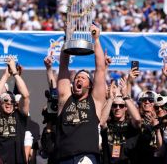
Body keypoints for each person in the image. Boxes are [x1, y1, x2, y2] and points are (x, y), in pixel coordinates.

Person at [56, 23, 106, 163]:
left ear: (89, 85)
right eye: (77, 77)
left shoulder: (95, 101)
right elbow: (63, 66)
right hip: (63, 157)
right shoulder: (66, 98)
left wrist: (96, 40)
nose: (78, 79)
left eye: (83, 78)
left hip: (87, 157)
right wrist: (68, 37)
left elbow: (100, 69)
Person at [0, 57, 30, 164]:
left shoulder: (19, 116)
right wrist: (6, 75)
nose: (9, 102)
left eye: (12, 100)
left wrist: (15, 73)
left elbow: (25, 95)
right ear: (0, 103)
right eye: (5, 100)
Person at [100, 77, 142, 164]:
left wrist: (126, 96)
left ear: (126, 108)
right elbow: (101, 122)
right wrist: (110, 99)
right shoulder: (108, 124)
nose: (117, 108)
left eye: (121, 106)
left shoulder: (131, 124)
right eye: (115, 106)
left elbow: (138, 120)